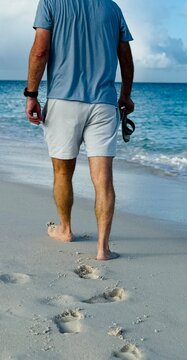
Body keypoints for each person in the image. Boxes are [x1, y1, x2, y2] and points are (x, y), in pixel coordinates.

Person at [25, 0, 134, 261]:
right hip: (104, 103)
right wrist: (126, 96)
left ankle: (65, 230)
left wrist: (31, 94)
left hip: (63, 101)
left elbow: (40, 51)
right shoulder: (112, 9)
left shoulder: (50, 3)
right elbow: (126, 60)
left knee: (63, 171)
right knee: (103, 178)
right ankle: (102, 249)